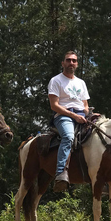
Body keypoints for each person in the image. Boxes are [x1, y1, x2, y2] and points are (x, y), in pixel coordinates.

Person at [48, 51, 90, 192]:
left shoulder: (81, 83)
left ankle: (103, 177)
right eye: (68, 60)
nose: (71, 63)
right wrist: (73, 116)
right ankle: (61, 174)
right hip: (63, 115)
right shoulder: (56, 80)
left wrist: (87, 113)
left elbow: (85, 104)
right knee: (68, 136)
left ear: (77, 64)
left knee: (100, 133)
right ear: (63, 63)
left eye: (74, 61)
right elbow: (54, 105)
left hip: (81, 114)